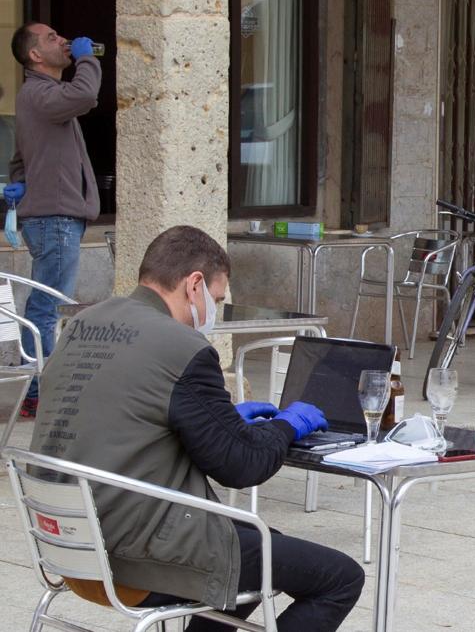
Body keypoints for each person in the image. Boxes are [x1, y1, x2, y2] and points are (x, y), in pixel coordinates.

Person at [30, 226, 364, 631]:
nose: (214, 312)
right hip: (138, 558)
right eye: (217, 299)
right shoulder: (181, 347)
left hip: (70, 548)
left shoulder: (80, 326)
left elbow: (124, 414)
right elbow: (243, 465)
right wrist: (286, 425)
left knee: (251, 546)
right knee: (338, 578)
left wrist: (221, 419)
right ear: (194, 285)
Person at [6, 21, 102, 417]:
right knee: (46, 309)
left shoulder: (40, 97)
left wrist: (22, 186)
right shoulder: (41, 93)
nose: (62, 40)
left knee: (45, 306)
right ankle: (39, 392)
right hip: (55, 219)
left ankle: (38, 388)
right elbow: (86, 94)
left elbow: (18, 160)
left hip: (52, 217)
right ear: (34, 56)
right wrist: (86, 57)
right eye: (51, 39)